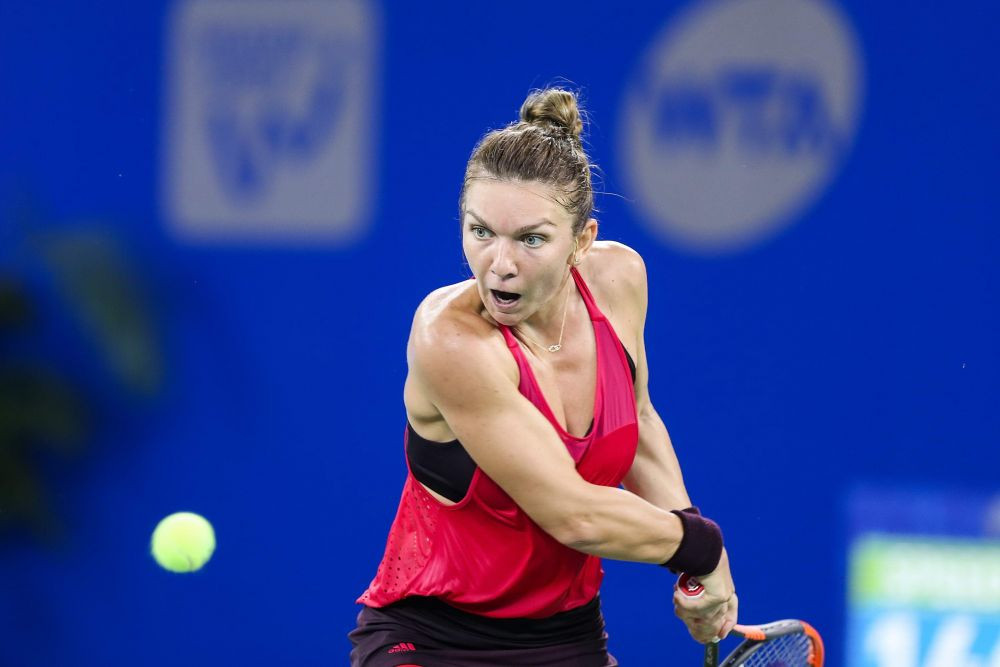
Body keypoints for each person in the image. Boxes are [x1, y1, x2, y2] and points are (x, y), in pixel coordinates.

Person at [350, 87, 737, 666]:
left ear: (582, 241)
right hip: (430, 641)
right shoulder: (449, 338)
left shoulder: (619, 279)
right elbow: (573, 514)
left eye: (531, 239)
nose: (500, 264)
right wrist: (701, 548)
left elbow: (640, 421)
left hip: (566, 640)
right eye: (481, 232)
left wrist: (693, 539)